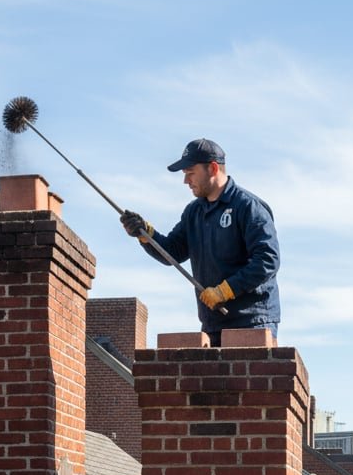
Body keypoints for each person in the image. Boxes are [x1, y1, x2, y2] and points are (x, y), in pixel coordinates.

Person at [120, 138, 280, 346]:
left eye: (190, 173)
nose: (186, 181)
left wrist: (225, 290)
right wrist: (145, 234)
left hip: (252, 321)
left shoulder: (248, 207)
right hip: (213, 321)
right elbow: (173, 252)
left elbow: (267, 260)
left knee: (246, 378)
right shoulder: (194, 212)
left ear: (213, 168)